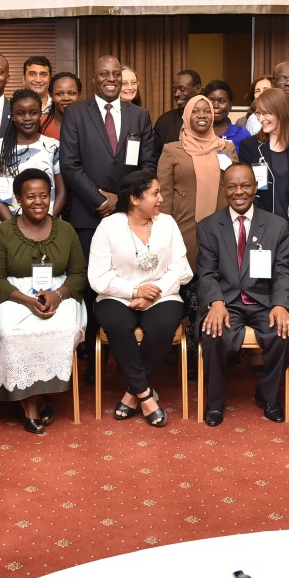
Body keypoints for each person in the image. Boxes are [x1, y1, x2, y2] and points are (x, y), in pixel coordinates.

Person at [0, 168, 87, 434]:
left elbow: (78, 274)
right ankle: (31, 401)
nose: (38, 202)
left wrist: (57, 295)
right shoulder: (3, 232)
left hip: (59, 292)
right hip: (13, 295)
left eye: (44, 195)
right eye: (30, 197)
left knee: (63, 329)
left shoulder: (66, 230)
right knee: (10, 333)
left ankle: (34, 400)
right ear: (17, 199)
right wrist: (27, 300)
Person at [61, 55, 156, 345]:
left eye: (116, 73)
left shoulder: (139, 115)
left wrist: (124, 199)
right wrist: (100, 199)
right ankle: (90, 349)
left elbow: (148, 164)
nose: (111, 78)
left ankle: (123, 343)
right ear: (94, 78)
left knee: (130, 276)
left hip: (132, 215)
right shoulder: (76, 113)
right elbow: (69, 164)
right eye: (104, 73)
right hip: (88, 216)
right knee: (93, 282)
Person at [88, 171, 191, 428]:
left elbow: (180, 268)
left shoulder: (167, 223)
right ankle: (145, 394)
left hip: (163, 293)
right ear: (134, 198)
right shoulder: (108, 227)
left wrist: (153, 292)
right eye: (155, 193)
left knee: (161, 326)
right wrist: (135, 291)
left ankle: (131, 394)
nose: (161, 198)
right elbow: (98, 276)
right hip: (117, 295)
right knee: (117, 325)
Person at [197, 163, 289, 426]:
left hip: (264, 303)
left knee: (284, 334)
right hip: (227, 302)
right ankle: (215, 402)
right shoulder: (208, 227)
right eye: (232, 186)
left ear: (255, 187)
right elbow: (206, 273)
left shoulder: (276, 226)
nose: (239, 192)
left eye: (245, 185)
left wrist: (281, 304)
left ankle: (268, 395)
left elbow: (284, 271)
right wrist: (216, 303)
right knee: (213, 332)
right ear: (224, 189)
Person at [159, 93, 237, 271]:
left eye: (206, 111)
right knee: (186, 273)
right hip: (184, 224)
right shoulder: (171, 150)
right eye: (195, 111)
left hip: (222, 223)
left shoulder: (226, 148)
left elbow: (235, 185)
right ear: (186, 116)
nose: (202, 115)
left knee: (219, 272)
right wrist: (164, 229)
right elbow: (164, 194)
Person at [0, 88, 63, 227]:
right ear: (13, 116)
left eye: (33, 113)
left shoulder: (54, 146)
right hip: (8, 227)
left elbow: (62, 192)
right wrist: (16, 229)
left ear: (40, 113)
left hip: (47, 226)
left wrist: (47, 222)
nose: (27, 118)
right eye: (21, 113)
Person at [238, 87, 289, 223]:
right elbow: (246, 190)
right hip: (260, 225)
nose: (261, 119)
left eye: (266, 113)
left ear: (281, 112)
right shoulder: (250, 146)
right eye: (258, 113)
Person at [155, 68, 202, 145]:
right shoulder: (164, 121)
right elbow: (156, 155)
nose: (176, 94)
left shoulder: (209, 119)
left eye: (182, 89)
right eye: (174, 90)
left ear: (198, 89)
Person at [206, 79, 249, 148]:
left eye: (222, 101)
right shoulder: (196, 133)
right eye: (211, 100)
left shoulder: (242, 134)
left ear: (230, 105)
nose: (215, 105)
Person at [40, 71, 80, 139]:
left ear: (78, 95)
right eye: (59, 94)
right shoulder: (42, 124)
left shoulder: (88, 122)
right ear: (51, 96)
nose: (66, 98)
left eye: (72, 93)